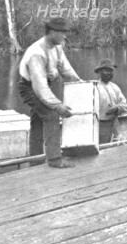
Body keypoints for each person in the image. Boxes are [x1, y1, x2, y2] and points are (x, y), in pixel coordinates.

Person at [18, 17, 81, 168]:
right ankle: (54, 159)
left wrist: (81, 84)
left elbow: (65, 69)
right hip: (30, 87)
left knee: (38, 120)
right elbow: (40, 88)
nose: (65, 36)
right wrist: (57, 105)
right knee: (51, 115)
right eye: (62, 33)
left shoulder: (57, 46)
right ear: (52, 32)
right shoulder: (37, 54)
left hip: (47, 83)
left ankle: (35, 159)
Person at [95, 59, 127, 144]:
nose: (109, 73)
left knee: (119, 144)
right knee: (103, 146)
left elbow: (124, 104)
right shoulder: (94, 87)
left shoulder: (115, 87)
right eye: (106, 70)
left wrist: (117, 108)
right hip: (100, 124)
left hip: (114, 122)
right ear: (100, 72)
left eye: (111, 71)